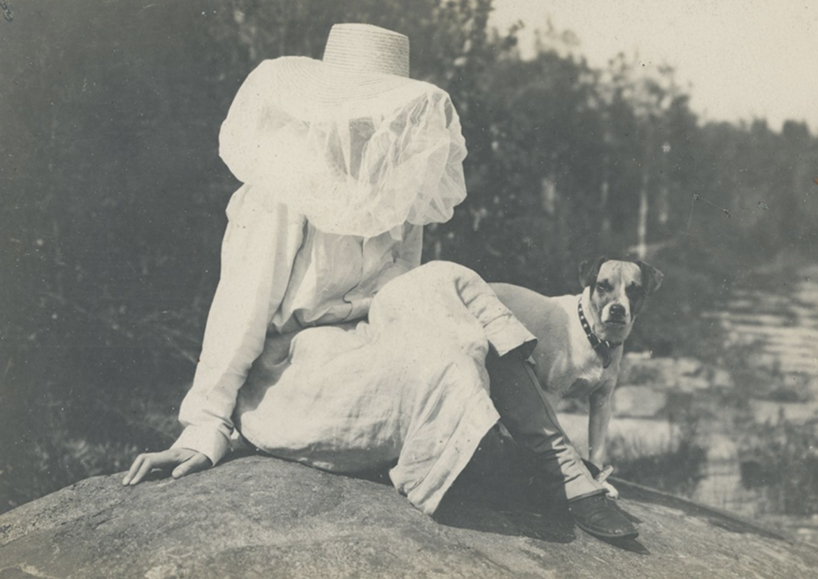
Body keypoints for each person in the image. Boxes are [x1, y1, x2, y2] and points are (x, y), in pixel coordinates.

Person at [123, 23, 637, 540]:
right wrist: (205, 427)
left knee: (449, 291)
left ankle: (554, 462)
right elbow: (239, 310)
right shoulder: (282, 187)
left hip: (371, 354)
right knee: (454, 359)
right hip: (294, 378)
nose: (375, 125)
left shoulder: (396, 193)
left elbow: (405, 299)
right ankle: (559, 467)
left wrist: (444, 331)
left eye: (386, 111)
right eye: (364, 108)